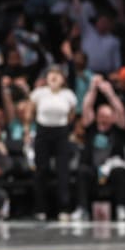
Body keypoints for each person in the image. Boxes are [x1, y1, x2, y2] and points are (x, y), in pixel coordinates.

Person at [74, 76, 125, 221]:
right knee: (82, 170)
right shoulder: (91, 128)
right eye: (101, 116)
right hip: (93, 169)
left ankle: (121, 207)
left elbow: (120, 111)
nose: (104, 119)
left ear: (113, 118)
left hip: (112, 169)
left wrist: (109, 93)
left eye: (107, 116)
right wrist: (93, 88)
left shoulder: (118, 130)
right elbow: (86, 108)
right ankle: (83, 209)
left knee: (121, 171)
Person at [29, 65, 77, 221]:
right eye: (51, 74)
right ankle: (41, 208)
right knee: (41, 170)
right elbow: (30, 112)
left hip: (61, 132)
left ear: (63, 79)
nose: (54, 77)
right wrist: (26, 131)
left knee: (63, 170)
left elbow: (72, 115)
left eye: (57, 74)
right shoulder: (39, 93)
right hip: (43, 131)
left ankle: (64, 208)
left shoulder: (68, 95)